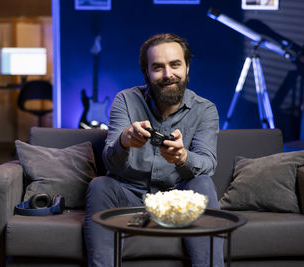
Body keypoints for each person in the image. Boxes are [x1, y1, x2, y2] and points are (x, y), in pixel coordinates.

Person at [84, 33, 223, 267]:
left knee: (203, 184)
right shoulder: (126, 100)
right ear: (146, 73)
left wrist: (182, 157)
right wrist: (124, 142)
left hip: (177, 199)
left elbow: (208, 163)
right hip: (128, 196)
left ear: (187, 67)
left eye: (175, 64)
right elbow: (111, 163)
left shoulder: (205, 109)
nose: (168, 74)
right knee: (100, 185)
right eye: (158, 67)